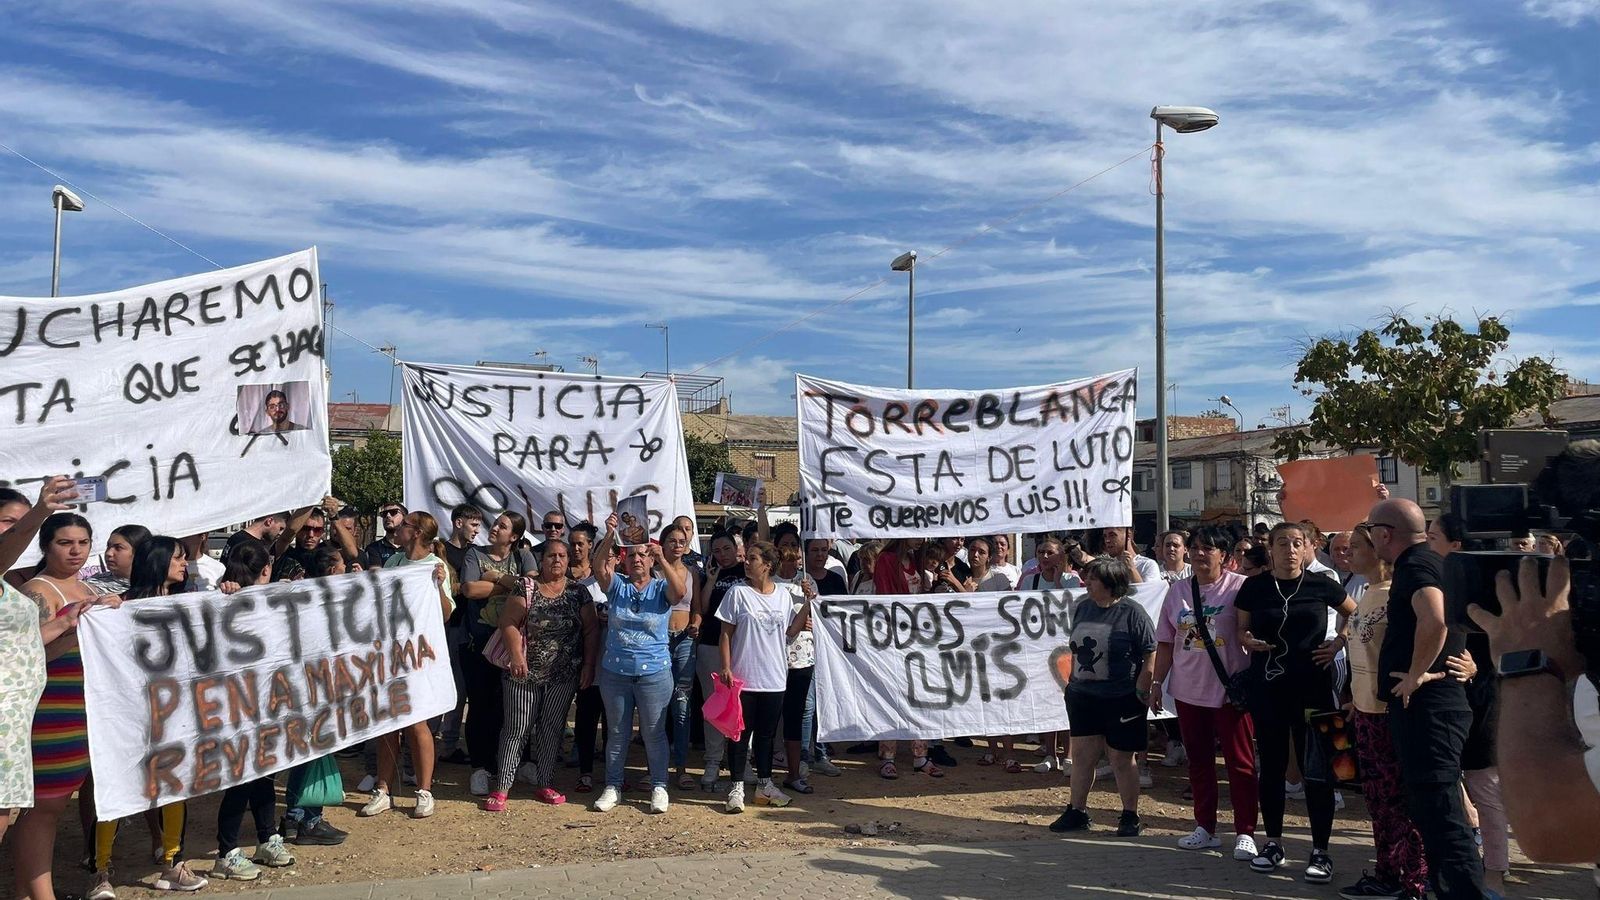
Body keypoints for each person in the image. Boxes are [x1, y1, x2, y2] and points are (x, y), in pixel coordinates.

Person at [1365, 499, 1484, 899]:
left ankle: (1463, 892)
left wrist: (1416, 675)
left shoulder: (1417, 565)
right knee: (1433, 812)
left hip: (1430, 710)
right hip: (1432, 707)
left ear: (1385, 534)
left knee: (1442, 814)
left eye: (1370, 532)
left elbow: (1434, 617)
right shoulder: (1428, 561)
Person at [84, 535, 209, 896]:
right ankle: (100, 871)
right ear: (157, 562)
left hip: (174, 715)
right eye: (177, 558)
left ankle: (174, 864)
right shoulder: (118, 608)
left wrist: (232, 594)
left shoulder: (188, 604)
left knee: (175, 786)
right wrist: (105, 611)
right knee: (116, 786)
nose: (184, 564)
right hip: (126, 717)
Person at [1235, 522, 1357, 885]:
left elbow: (1355, 612)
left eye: (1297, 543)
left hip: (1315, 688)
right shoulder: (1254, 587)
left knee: (1318, 770)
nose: (1290, 549)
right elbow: (1240, 630)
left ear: (1308, 548)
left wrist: (1338, 643)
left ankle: (1321, 851)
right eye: (1282, 543)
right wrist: (1248, 641)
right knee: (1271, 768)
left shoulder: (1322, 583)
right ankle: (1273, 843)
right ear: (1269, 549)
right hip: (1269, 688)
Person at [12, 514, 122, 900]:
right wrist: (71, 627)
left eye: (82, 542)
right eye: (65, 542)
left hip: (85, 706)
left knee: (54, 806)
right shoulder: (37, 592)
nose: (75, 550)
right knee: (45, 808)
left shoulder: (90, 587)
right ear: (46, 546)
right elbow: (24, 656)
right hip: (51, 708)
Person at [1149, 525, 1259, 861]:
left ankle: (1245, 832)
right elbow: (1166, 642)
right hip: (1187, 691)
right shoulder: (1177, 591)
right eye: (1195, 547)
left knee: (1241, 765)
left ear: (1225, 557)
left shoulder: (1242, 589)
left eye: (1208, 548)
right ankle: (1205, 827)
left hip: (1230, 693)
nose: (1199, 553)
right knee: (1198, 762)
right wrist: (1156, 683)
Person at [1340, 523, 1431, 900]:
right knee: (1378, 801)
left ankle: (1414, 880)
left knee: (1398, 802)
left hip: (1389, 712)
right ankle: (1387, 873)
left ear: (1379, 549)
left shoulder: (1398, 594)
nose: (1348, 554)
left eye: (1357, 546)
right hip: (1364, 710)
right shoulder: (1365, 594)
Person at [201, 541, 295, 882]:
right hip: (241, 706)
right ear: (266, 569)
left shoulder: (261, 598)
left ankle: (268, 836)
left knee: (263, 773)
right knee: (241, 779)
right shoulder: (227, 601)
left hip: (260, 704)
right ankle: (226, 852)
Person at [1428, 514, 1509, 898]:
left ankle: (1494, 872)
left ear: (1456, 546)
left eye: (1433, 537)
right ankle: (1461, 859)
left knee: (1485, 786)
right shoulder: (1432, 580)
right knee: (1450, 783)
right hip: (1444, 697)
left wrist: (1480, 666)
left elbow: (1507, 643)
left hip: (1481, 697)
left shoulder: (1485, 583)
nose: (1427, 543)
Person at [485, 539, 597, 810]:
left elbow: (591, 630)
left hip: (563, 673)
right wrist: (516, 656)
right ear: (541, 559)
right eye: (551, 556)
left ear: (568, 560)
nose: (556, 560)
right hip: (523, 672)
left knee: (551, 728)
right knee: (516, 729)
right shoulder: (526, 586)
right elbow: (509, 622)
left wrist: (588, 666)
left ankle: (545, 782)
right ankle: (503, 786)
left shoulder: (578, 592)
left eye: (561, 556)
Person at [1049, 558, 1156, 837]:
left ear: (1110, 583)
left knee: (1121, 758)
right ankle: (1077, 811)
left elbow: (1150, 652)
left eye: (1093, 579)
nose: (1087, 583)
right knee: (1083, 756)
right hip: (1084, 697)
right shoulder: (1084, 607)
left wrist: (1144, 687)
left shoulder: (1132, 613)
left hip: (1122, 697)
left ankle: (1130, 816)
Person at [590, 513, 688, 814]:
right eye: (632, 555)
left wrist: (663, 560)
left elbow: (680, 592)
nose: (637, 560)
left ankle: (659, 786)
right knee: (617, 733)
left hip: (654, 673)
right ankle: (613, 786)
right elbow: (597, 568)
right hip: (616, 673)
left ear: (651, 560)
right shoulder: (617, 586)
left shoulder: (660, 588)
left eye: (643, 555)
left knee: (654, 733)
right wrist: (609, 535)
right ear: (624, 559)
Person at [0, 487, 74, 864]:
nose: (20, 532)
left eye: (22, 523)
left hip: (12, 728)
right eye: (9, 523)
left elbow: (24, 645)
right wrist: (40, 513)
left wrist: (67, 623)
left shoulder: (7, 586)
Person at [363, 512, 453, 819]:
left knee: (417, 724)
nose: (397, 529)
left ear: (415, 533)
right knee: (389, 723)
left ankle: (424, 791)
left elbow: (445, 615)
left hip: (420, 657)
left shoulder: (434, 567)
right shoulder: (393, 563)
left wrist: (439, 587)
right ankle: (383, 789)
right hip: (392, 654)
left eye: (403, 525)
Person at [718, 540, 809, 811]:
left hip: (774, 678)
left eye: (753, 558)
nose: (746, 562)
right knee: (739, 735)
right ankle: (736, 787)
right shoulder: (737, 593)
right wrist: (726, 666)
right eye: (747, 558)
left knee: (767, 736)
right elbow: (725, 633)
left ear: (767, 565)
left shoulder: (782, 594)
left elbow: (791, 631)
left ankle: (765, 784)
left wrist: (807, 603)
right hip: (743, 677)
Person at [459, 512, 538, 797]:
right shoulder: (473, 555)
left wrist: (494, 577)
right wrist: (509, 583)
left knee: (517, 707)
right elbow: (469, 589)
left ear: (514, 536)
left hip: (513, 645)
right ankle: (480, 767)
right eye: (496, 524)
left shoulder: (524, 556)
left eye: (502, 526)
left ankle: (521, 762)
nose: (495, 528)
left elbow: (531, 589)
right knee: (481, 706)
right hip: (478, 644)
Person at [870, 538, 943, 778]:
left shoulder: (916, 561)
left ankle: (920, 755)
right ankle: (887, 757)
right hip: (893, 639)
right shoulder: (886, 560)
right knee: (890, 697)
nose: (922, 539)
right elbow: (884, 597)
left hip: (917, 639)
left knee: (920, 696)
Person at [1020, 536, 1080, 774]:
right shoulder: (1029, 581)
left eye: (1050, 553)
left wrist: (1057, 583)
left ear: (1061, 556)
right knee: (1045, 700)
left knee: (1067, 701)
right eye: (1041, 552)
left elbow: (1071, 608)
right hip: (1038, 649)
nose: (1045, 557)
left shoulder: (1073, 581)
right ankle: (1049, 753)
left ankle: (1069, 755)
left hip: (1066, 650)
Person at [693, 531, 746, 789]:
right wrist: (711, 581)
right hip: (711, 645)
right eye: (717, 550)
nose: (722, 555)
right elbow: (702, 609)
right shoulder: (708, 574)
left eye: (726, 549)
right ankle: (713, 759)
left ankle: (741, 760)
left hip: (742, 648)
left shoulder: (748, 572)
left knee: (741, 707)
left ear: (737, 548)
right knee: (715, 706)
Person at [770, 526, 820, 793]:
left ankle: (793, 772)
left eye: (794, 544)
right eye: (785, 544)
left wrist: (810, 600)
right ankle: (763, 772)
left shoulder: (808, 581)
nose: (790, 550)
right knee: (768, 717)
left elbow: (819, 619)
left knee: (795, 715)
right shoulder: (770, 582)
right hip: (772, 658)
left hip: (802, 658)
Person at [657, 524, 703, 790]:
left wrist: (696, 623)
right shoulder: (653, 572)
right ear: (662, 543)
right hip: (659, 642)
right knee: (658, 704)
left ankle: (681, 767)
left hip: (685, 640)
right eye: (672, 540)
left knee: (682, 705)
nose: (677, 544)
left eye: (682, 540)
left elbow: (697, 609)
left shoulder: (693, 573)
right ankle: (657, 767)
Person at [436, 503, 483, 764]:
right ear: (458, 523)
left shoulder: (476, 553)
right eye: (474, 525)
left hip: (468, 628)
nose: (477, 530)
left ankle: (450, 743)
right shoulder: (440, 550)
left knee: (460, 687)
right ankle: (434, 741)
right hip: (445, 626)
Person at [566, 522, 610, 794]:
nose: (576, 548)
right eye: (572, 543)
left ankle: (611, 773)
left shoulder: (620, 584)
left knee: (613, 721)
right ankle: (584, 770)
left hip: (612, 662)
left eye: (581, 543)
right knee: (585, 716)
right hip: (582, 659)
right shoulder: (576, 584)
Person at [799, 538, 847, 778]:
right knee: (807, 707)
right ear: (805, 553)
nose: (819, 554)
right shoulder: (801, 581)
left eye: (824, 550)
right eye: (814, 550)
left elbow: (845, 615)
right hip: (804, 650)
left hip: (831, 652)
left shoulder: (837, 580)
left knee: (825, 704)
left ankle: (821, 754)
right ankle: (804, 757)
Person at [362, 502, 408, 570]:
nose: (388, 516)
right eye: (384, 514)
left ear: (404, 518)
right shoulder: (373, 548)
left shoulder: (413, 546)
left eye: (393, 512)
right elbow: (376, 575)